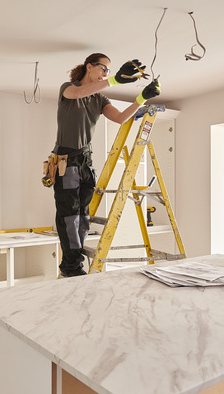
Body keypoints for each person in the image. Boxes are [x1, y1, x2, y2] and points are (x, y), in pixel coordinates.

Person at [53, 53, 160, 277]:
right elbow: (80, 92)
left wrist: (142, 98)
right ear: (89, 67)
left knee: (83, 216)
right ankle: (71, 267)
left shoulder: (100, 99)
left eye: (108, 71)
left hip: (86, 160)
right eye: (103, 68)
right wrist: (115, 81)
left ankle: (72, 264)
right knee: (69, 215)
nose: (105, 73)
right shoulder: (69, 88)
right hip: (67, 160)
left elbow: (121, 118)